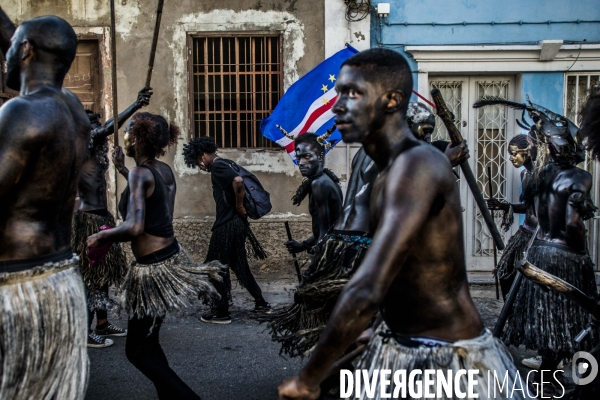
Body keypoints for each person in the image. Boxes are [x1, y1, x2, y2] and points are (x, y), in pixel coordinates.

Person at [277, 48, 529, 400]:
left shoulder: (417, 166)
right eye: (339, 95)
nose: (337, 107)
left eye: (353, 94)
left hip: (447, 356)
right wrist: (384, 322)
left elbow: (367, 286)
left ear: (392, 100)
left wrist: (308, 378)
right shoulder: (389, 169)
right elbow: (405, 270)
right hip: (402, 342)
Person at [265, 103, 469, 359]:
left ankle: (340, 371)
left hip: (343, 243)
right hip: (361, 245)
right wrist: (444, 159)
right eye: (424, 131)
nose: (426, 138)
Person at [87, 113, 225, 400]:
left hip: (153, 270)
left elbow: (135, 226)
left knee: (137, 351)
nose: (124, 137)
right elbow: (151, 197)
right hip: (168, 257)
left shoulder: (141, 173)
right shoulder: (161, 170)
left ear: (138, 138)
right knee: (148, 345)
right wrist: (124, 171)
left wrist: (101, 235)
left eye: (128, 132)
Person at [0, 15, 90, 399]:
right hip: (59, 282)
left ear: (25, 50)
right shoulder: (73, 111)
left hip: (15, 292)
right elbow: (22, 35)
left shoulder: (20, 112)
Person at [502, 106, 598, 395]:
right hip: (566, 256)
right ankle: (551, 379)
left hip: (540, 252)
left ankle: (546, 376)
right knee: (567, 321)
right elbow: (572, 224)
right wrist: (580, 252)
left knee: (549, 322)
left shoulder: (539, 176)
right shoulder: (578, 177)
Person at [74, 88, 152, 348]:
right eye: (93, 123)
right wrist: (135, 105)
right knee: (90, 277)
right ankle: (85, 332)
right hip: (88, 219)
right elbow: (107, 127)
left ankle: (103, 323)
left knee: (104, 276)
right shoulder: (82, 141)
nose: (98, 125)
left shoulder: (93, 143)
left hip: (100, 215)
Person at [182, 136, 271, 324]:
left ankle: (221, 312)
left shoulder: (217, 166)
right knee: (239, 266)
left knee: (215, 267)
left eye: (198, 161)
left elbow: (238, 181)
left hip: (227, 225)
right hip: (238, 224)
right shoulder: (227, 163)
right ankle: (261, 302)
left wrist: (239, 205)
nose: (200, 165)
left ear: (202, 155)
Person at [487, 134, 538, 300]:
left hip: (540, 235)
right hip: (525, 232)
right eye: (510, 153)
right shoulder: (525, 175)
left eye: (514, 153)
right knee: (505, 270)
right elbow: (527, 207)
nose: (511, 158)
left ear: (527, 152)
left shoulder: (543, 175)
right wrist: (503, 206)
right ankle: (511, 315)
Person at [284, 133, 344, 254]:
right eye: (299, 157)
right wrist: (303, 245)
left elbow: (325, 231)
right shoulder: (323, 179)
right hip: (331, 246)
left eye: (307, 157)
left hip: (330, 251)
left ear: (320, 157)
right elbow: (328, 227)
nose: (301, 163)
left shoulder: (320, 184)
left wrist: (319, 258)